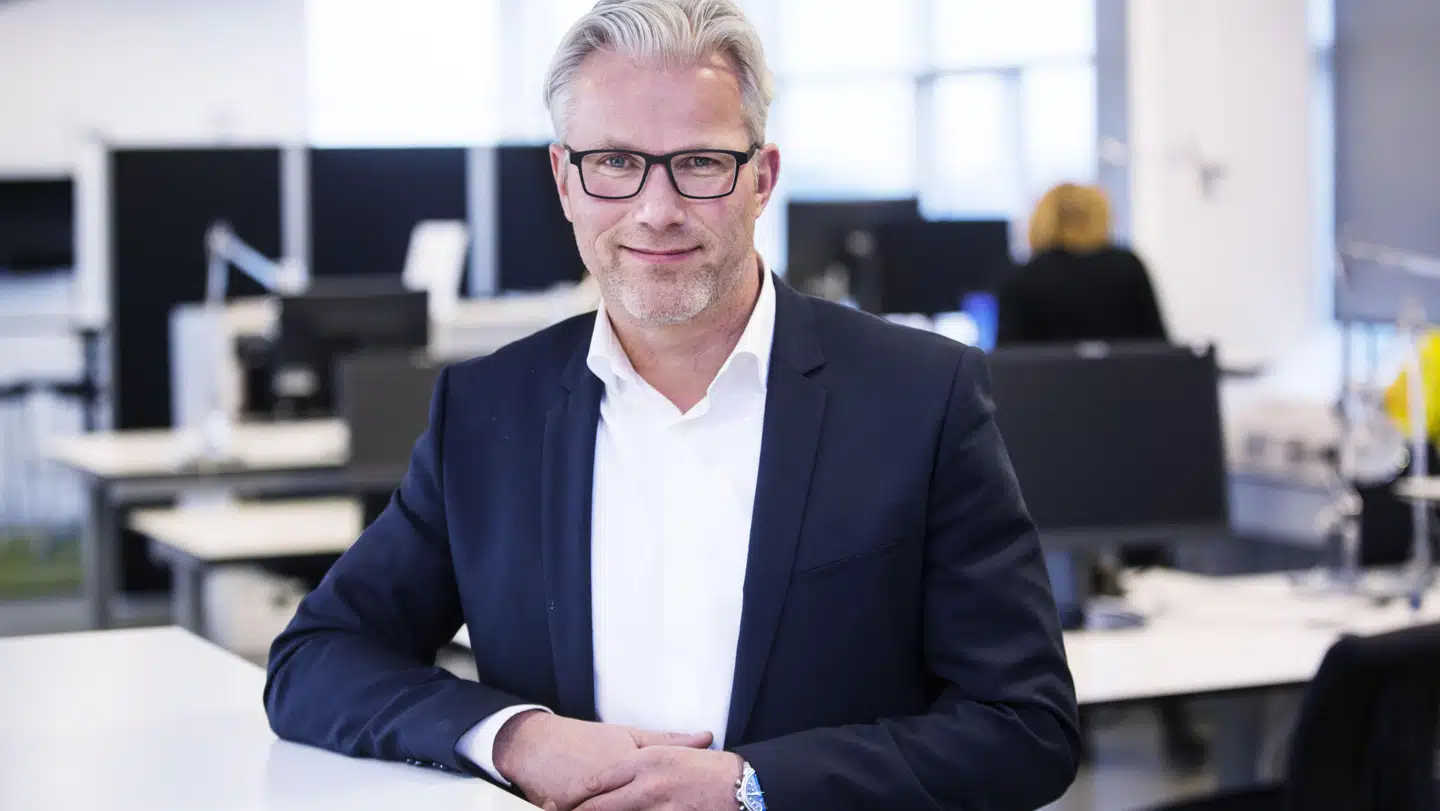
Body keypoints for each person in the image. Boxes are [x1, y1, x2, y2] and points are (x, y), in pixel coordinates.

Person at [263, 2, 1080, 809]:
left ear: (762, 178)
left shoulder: (919, 397)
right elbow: (318, 656)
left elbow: (1025, 725)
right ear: (564, 180)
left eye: (700, 161)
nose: (656, 210)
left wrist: (751, 786)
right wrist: (514, 737)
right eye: (615, 161)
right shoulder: (486, 414)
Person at [996, 182, 1205, 771]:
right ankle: (1178, 725)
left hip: (1053, 462)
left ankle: (1076, 728)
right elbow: (1160, 355)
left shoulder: (1024, 279)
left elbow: (1006, 374)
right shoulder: (1128, 268)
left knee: (1060, 604)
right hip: (1133, 457)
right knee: (1150, 592)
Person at [997, 183, 1166, 347]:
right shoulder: (1129, 267)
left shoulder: (1024, 277)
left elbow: (1006, 355)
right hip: (1123, 368)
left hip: (1046, 369)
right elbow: (1159, 347)